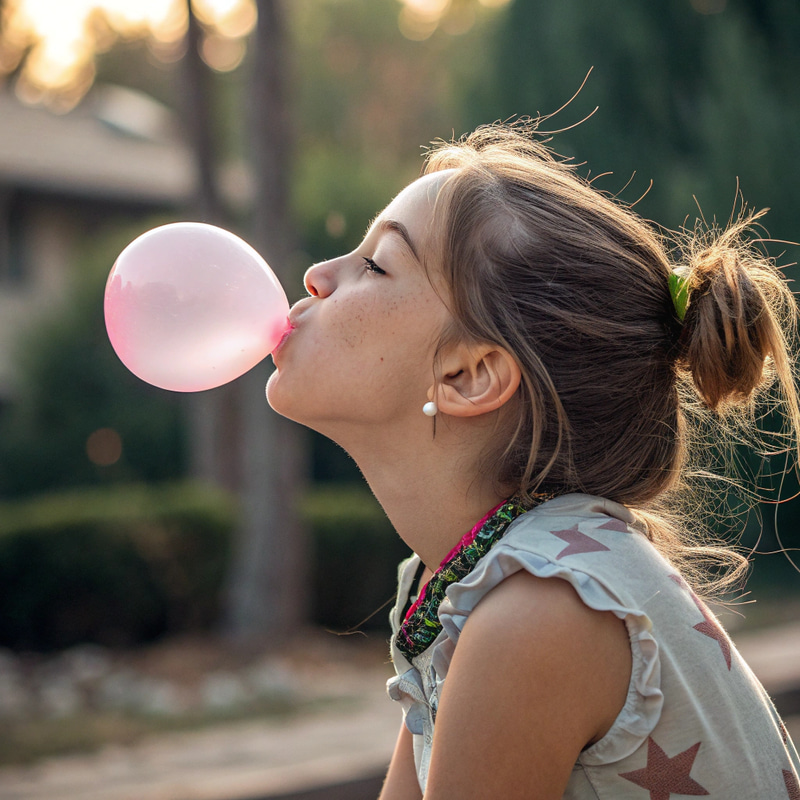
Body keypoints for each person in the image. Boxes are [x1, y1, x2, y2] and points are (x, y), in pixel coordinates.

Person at [267, 122, 800, 799]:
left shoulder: (537, 613)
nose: (317, 276)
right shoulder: (467, 585)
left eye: (375, 265)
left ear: (468, 376)